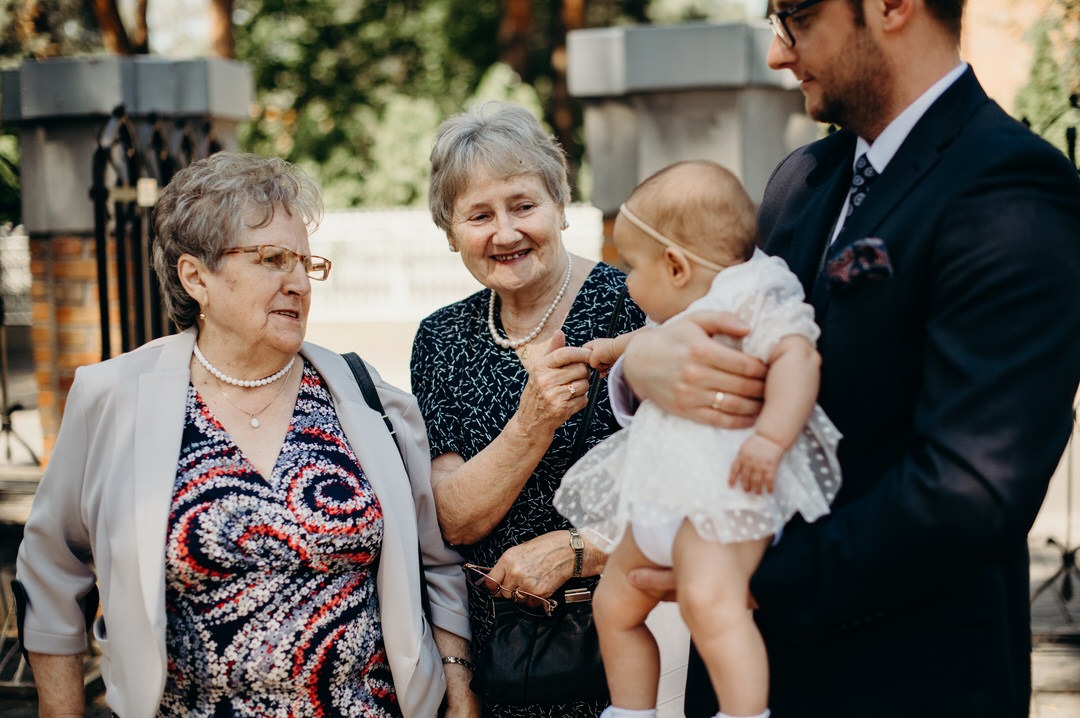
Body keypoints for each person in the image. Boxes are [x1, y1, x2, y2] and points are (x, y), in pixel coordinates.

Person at [611, 0, 1080, 716]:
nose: (776, 52)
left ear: (892, 6)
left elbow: (971, 488)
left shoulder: (1014, 187)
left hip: (903, 679)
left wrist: (746, 580)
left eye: (792, 15)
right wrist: (640, 368)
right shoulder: (799, 178)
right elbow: (718, 325)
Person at [14, 152, 475, 718]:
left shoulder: (365, 396)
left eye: (307, 264)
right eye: (272, 260)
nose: (300, 283)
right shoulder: (114, 399)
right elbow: (53, 576)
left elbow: (438, 563)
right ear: (195, 277)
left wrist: (458, 688)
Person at [554, 160, 841, 718]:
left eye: (631, 266)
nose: (626, 281)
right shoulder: (685, 301)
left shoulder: (756, 293)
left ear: (676, 266)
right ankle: (632, 711)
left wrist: (772, 438)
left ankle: (744, 714)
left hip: (723, 491)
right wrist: (611, 351)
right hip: (661, 492)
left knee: (714, 605)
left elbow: (796, 356)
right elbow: (649, 337)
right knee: (615, 605)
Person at [410, 101, 646, 718]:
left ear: (561, 205)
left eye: (523, 205)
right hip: (507, 667)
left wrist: (578, 549)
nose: (506, 233)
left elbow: (696, 485)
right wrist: (533, 420)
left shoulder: (636, 306)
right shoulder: (442, 340)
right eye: (479, 215)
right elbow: (454, 521)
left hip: (636, 646)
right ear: (451, 231)